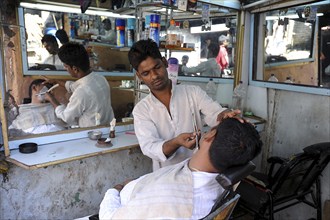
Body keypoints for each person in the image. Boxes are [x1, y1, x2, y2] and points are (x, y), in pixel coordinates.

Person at [99, 118, 262, 219]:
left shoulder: (166, 198)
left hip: (120, 202)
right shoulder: (216, 182)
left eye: (209, 130)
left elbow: (109, 217)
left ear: (210, 136)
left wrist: (115, 190)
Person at [128, 39, 242, 170]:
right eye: (146, 73)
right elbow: (150, 147)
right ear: (139, 76)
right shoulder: (142, 110)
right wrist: (176, 142)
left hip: (198, 170)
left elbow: (214, 112)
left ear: (165, 62)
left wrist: (224, 114)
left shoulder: (192, 93)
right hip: (166, 177)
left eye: (157, 67)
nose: (154, 76)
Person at [44, 42, 114, 128]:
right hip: (108, 127)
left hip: (92, 132)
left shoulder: (81, 92)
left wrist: (51, 99)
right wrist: (57, 81)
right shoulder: (100, 78)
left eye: (66, 67)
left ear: (75, 69)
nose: (65, 69)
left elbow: (66, 117)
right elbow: (76, 86)